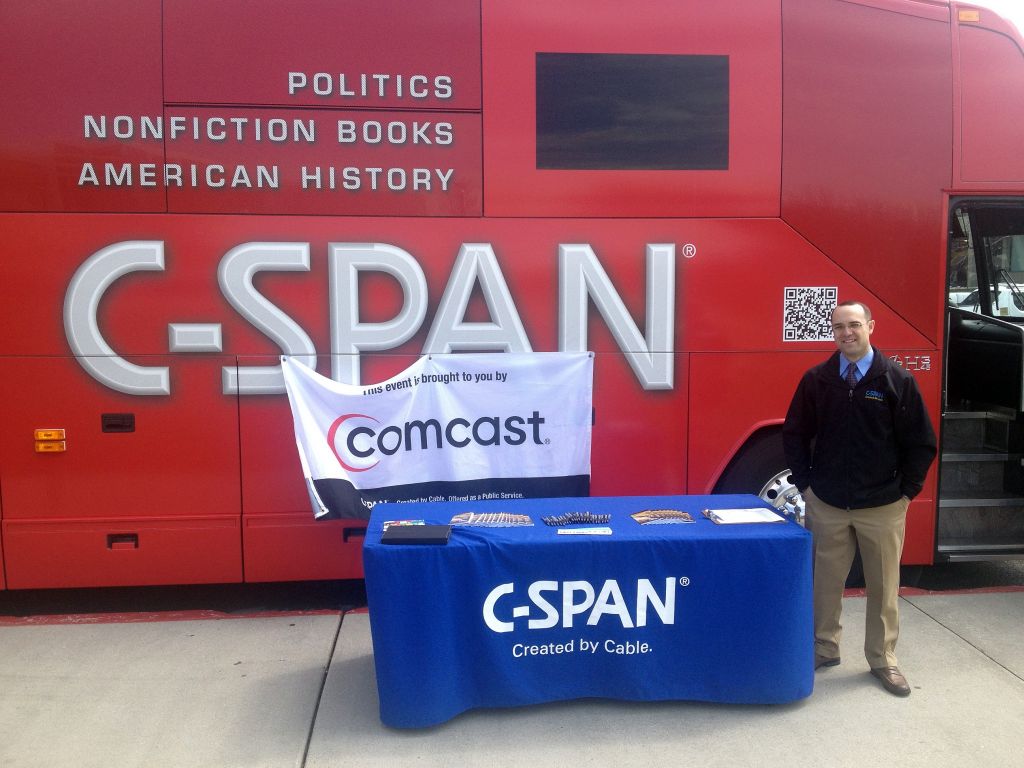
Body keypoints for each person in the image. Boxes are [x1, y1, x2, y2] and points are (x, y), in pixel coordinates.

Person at [782, 300, 936, 697]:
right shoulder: (817, 380)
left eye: (853, 324)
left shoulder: (896, 380)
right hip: (828, 503)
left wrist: (906, 494)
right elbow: (795, 433)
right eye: (838, 327)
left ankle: (883, 659)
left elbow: (921, 442)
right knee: (824, 584)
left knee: (883, 587)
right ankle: (824, 648)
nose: (846, 333)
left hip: (882, 506)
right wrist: (807, 486)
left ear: (871, 326)